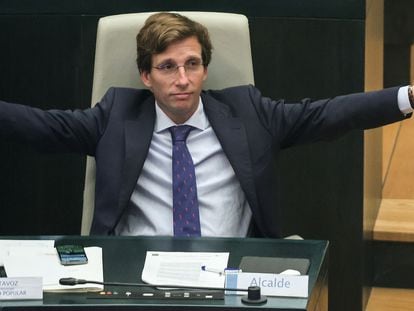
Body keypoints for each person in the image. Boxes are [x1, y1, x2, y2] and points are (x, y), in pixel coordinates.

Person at [0, 12, 412, 237]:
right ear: (146, 76)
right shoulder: (116, 116)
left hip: (227, 276)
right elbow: (42, 126)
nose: (182, 79)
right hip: (138, 278)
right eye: (167, 67)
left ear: (205, 69)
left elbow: (329, 114)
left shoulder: (249, 113)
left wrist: (408, 97)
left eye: (192, 64)